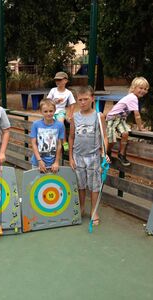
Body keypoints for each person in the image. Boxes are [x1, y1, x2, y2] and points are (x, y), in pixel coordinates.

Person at [69, 86, 109, 225]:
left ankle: (94, 210)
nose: (83, 102)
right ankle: (81, 208)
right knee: (80, 185)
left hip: (93, 157)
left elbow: (104, 137)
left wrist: (104, 153)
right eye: (80, 100)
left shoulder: (99, 116)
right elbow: (71, 137)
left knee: (94, 186)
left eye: (86, 99)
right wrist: (70, 157)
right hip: (78, 156)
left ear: (92, 98)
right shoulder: (75, 116)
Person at [106, 77, 149, 166]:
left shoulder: (133, 97)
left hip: (120, 119)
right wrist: (140, 128)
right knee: (112, 139)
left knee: (125, 133)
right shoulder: (132, 98)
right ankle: (107, 152)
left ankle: (121, 154)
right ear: (134, 88)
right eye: (140, 88)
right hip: (112, 118)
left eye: (145, 89)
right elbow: (137, 115)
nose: (143, 91)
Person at [30, 98, 64, 173]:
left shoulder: (60, 125)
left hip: (53, 163)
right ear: (41, 112)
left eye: (51, 111)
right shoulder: (36, 124)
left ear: (55, 110)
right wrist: (39, 160)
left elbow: (59, 145)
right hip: (37, 162)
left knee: (52, 184)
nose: (48, 113)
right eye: (45, 111)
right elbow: (34, 143)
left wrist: (56, 162)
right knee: (36, 184)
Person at [47, 71, 76, 151]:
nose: (58, 82)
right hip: (51, 111)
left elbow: (72, 104)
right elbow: (47, 101)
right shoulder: (53, 90)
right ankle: (51, 142)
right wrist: (55, 101)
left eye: (60, 80)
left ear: (65, 81)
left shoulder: (68, 93)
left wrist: (70, 115)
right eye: (56, 80)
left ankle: (64, 141)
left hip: (60, 111)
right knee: (48, 124)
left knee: (60, 123)